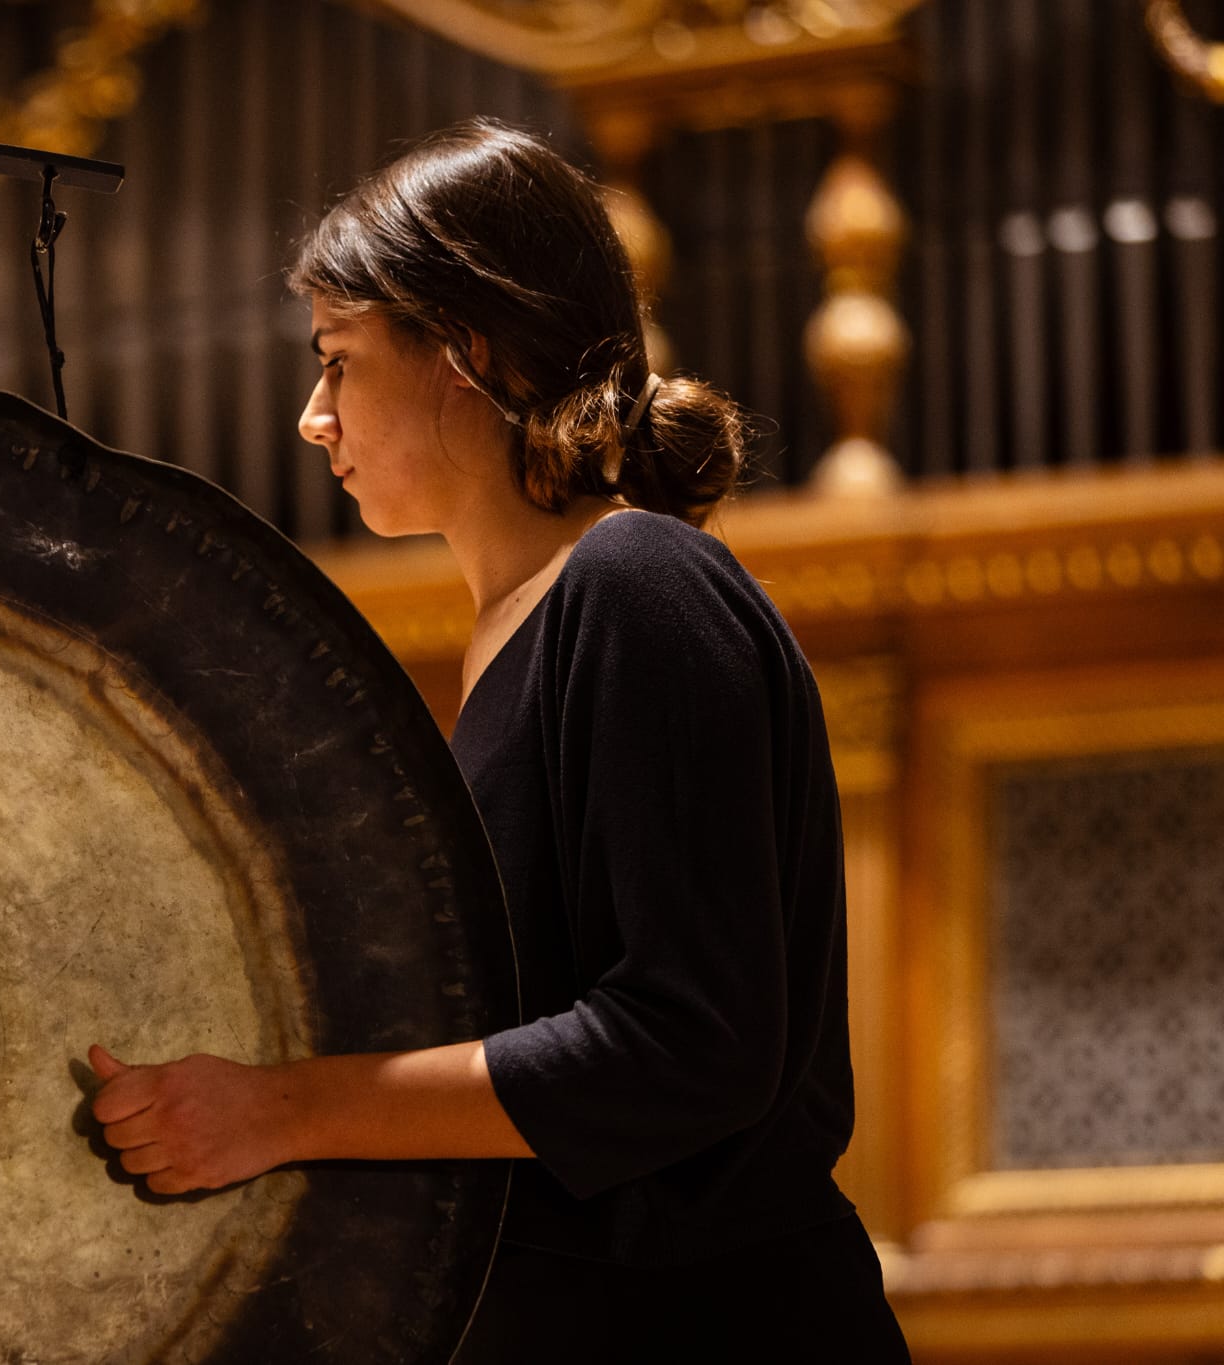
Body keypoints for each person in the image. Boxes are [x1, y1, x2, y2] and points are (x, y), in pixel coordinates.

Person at [87, 119, 911, 1362]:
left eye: (339, 360)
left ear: (461, 351)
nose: (314, 417)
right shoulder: (514, 632)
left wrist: (283, 1109)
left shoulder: (638, 583)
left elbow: (685, 1047)